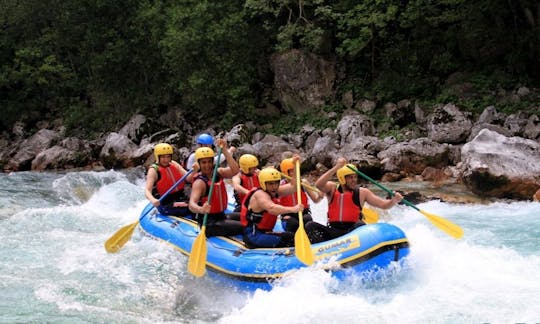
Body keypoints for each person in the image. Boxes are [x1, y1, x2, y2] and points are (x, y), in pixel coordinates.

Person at [306, 158, 403, 243]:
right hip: (334, 231)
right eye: (350, 177)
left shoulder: (362, 192)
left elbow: (383, 205)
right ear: (342, 179)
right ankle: (321, 251)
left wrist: (394, 200)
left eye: (355, 177)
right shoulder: (332, 188)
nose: (354, 180)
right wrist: (337, 167)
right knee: (310, 225)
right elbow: (319, 184)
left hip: (352, 232)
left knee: (360, 224)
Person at [240, 162, 304, 249]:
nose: (274, 186)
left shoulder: (274, 191)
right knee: (291, 240)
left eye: (276, 183)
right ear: (263, 183)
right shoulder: (260, 195)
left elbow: (294, 186)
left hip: (265, 232)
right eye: (270, 184)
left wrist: (296, 168)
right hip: (254, 236)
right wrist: (293, 209)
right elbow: (272, 208)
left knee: (291, 236)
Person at [188, 138, 243, 237]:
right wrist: (201, 209)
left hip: (221, 215)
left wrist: (225, 150)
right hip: (209, 223)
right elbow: (192, 204)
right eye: (204, 162)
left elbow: (235, 170)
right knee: (245, 226)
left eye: (209, 162)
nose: (207, 165)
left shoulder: (218, 172)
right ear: (199, 164)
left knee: (246, 217)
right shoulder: (200, 182)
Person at [145, 143, 196, 217]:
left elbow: (189, 178)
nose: (166, 160)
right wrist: (153, 200)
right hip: (165, 202)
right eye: (163, 157)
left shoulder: (174, 164)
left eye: (168, 157)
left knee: (198, 202)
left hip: (180, 196)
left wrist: (194, 170)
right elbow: (147, 191)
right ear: (157, 156)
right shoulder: (153, 170)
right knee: (191, 207)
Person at [278, 158, 323, 232]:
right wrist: (282, 214)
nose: (294, 173)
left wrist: (320, 196)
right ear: (285, 172)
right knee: (293, 223)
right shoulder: (280, 186)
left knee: (307, 220)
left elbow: (315, 199)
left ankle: (312, 237)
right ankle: (291, 240)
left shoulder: (303, 182)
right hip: (288, 214)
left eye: (295, 170)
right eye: (291, 171)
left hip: (303, 212)